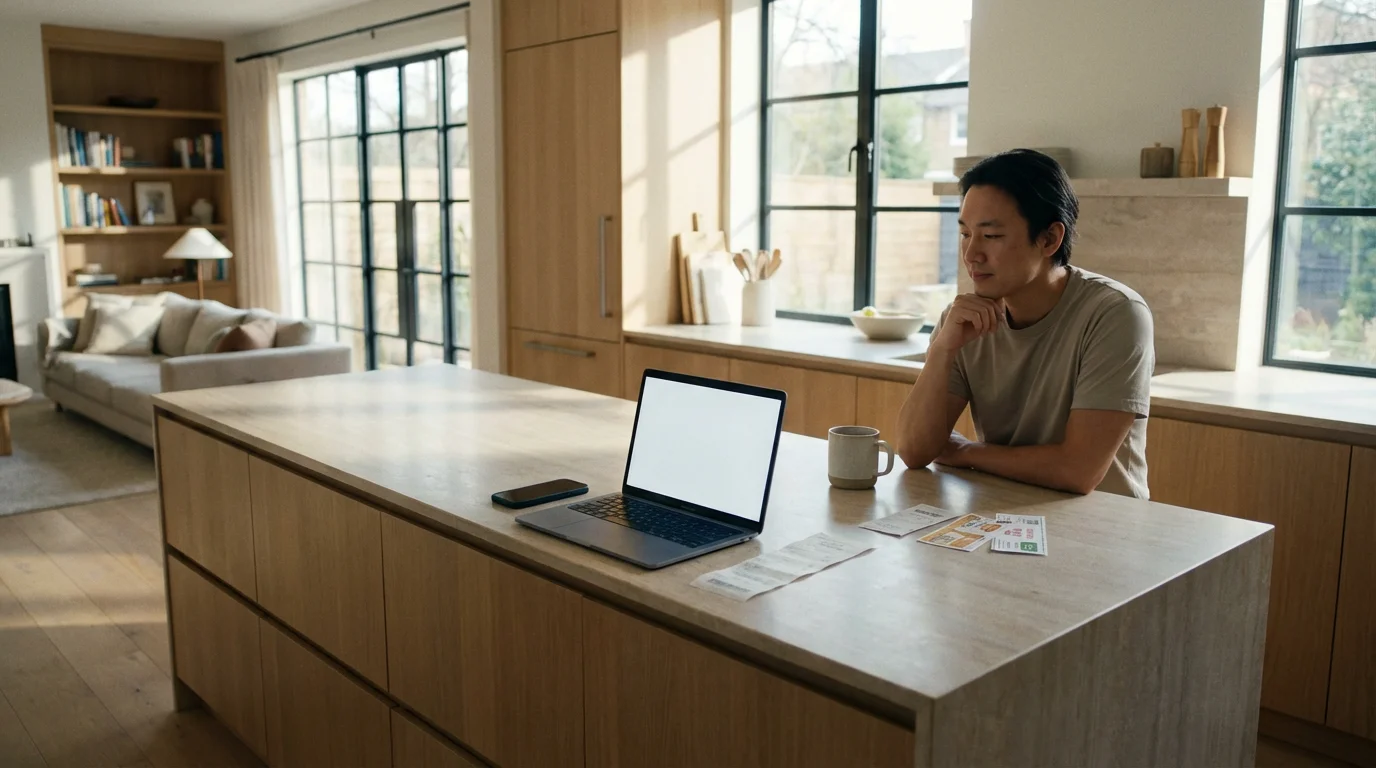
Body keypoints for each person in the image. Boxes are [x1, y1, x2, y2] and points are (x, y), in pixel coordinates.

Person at [895, 149, 1154, 498]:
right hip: (1003, 515)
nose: (972, 254)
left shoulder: (1115, 314)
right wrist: (942, 349)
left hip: (1101, 526)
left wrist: (967, 451)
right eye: (965, 234)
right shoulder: (963, 320)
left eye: (991, 236)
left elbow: (1077, 470)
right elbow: (914, 451)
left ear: (1049, 239)